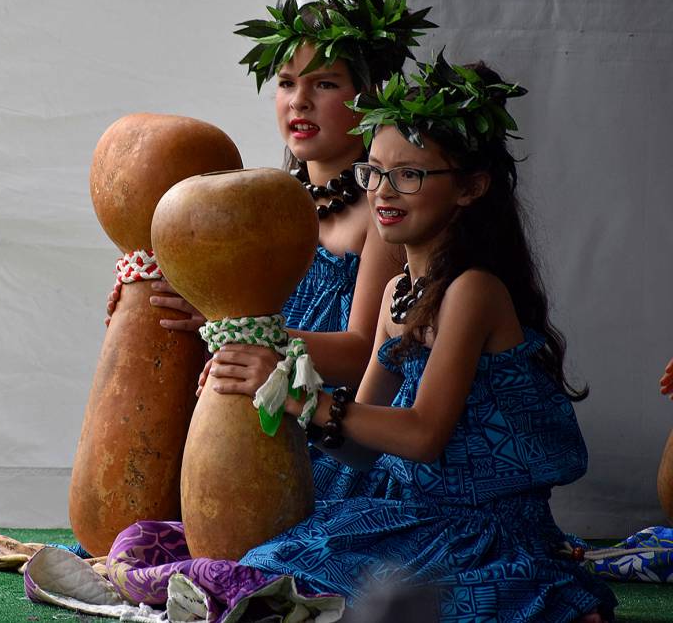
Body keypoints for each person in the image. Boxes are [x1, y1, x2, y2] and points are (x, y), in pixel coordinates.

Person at [87, 57, 618, 622]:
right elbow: (360, 448)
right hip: (412, 513)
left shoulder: (473, 291)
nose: (384, 192)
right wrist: (276, 388)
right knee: (253, 556)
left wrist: (302, 398)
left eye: (410, 175)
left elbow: (423, 436)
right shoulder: (398, 293)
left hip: (482, 530)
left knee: (278, 576)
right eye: (376, 173)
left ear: (471, 187)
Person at [107, 0, 434, 501]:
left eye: (324, 84)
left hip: (333, 440)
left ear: (370, 97)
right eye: (286, 83)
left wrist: (246, 333)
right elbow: (230, 320)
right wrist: (170, 303)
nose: (299, 101)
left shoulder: (383, 216)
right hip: (250, 417)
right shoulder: (266, 206)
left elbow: (361, 352)